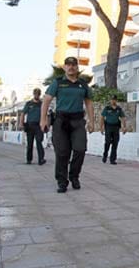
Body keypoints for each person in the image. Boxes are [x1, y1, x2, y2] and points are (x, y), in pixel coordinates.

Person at [41, 56, 94, 193]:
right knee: (62, 152)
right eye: (68, 65)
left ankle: (74, 176)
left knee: (80, 149)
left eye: (73, 65)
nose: (71, 67)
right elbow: (46, 100)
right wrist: (43, 120)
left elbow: (88, 102)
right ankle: (62, 181)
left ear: (77, 67)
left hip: (77, 122)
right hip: (61, 122)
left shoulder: (83, 84)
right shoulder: (58, 83)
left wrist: (91, 121)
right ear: (64, 67)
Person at [19, 88, 46, 165]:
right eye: (35, 94)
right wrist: (21, 123)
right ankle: (29, 159)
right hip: (30, 125)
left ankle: (41, 159)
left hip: (39, 125)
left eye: (38, 94)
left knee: (39, 142)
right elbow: (23, 114)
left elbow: (45, 115)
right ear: (33, 94)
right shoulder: (29, 104)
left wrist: (45, 124)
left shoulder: (42, 104)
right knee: (30, 144)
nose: (37, 95)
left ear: (40, 94)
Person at [100, 94, 126, 164]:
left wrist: (124, 127)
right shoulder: (107, 108)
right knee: (107, 142)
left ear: (116, 100)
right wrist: (101, 128)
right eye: (112, 99)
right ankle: (105, 155)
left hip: (116, 127)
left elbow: (123, 118)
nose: (113, 101)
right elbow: (102, 118)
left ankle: (113, 159)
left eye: (114, 99)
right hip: (108, 127)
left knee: (115, 143)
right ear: (110, 100)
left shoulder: (119, 109)